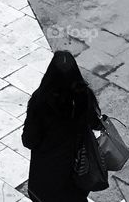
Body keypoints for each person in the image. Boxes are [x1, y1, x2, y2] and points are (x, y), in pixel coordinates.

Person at [22, 51, 104, 202]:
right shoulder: (84, 95)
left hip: (48, 172)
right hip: (78, 169)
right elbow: (95, 123)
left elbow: (29, 140)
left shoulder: (40, 101)